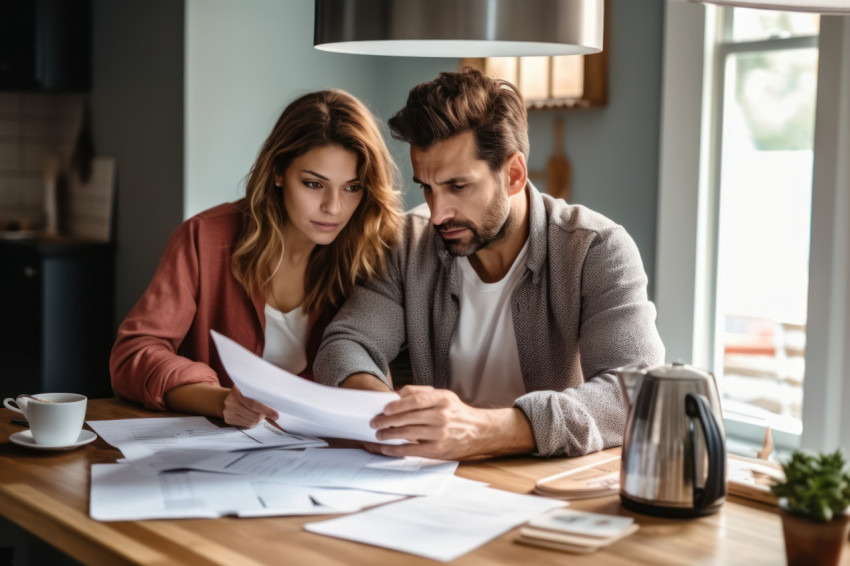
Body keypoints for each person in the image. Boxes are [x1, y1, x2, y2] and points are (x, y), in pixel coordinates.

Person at [313, 69, 665, 460]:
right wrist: (392, 415)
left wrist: (481, 429)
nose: (437, 213)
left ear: (513, 174)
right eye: (427, 187)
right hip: (433, 482)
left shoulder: (596, 249)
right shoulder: (408, 243)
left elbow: (634, 391)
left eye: (458, 187)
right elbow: (345, 344)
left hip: (548, 482)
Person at [110, 89, 403, 428]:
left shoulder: (372, 255)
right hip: (218, 454)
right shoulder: (204, 238)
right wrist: (220, 400)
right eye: (313, 184)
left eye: (352, 188)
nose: (333, 207)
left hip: (327, 456)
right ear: (278, 172)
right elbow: (133, 355)